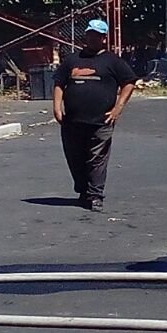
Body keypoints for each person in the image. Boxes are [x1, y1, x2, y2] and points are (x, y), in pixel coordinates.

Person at [53, 19, 137, 212]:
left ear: (104, 38)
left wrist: (118, 107)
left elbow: (129, 82)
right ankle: (83, 190)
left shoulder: (112, 61)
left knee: (97, 158)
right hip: (72, 121)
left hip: (101, 121)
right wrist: (57, 106)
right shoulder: (72, 60)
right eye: (90, 34)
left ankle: (95, 194)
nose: (92, 39)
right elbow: (59, 82)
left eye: (97, 36)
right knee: (76, 158)